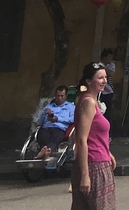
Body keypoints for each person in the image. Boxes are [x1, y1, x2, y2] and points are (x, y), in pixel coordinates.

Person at [72, 62, 116, 210]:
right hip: (94, 164)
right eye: (100, 78)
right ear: (89, 81)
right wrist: (85, 174)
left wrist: (108, 152)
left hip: (100, 159)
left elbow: (94, 134)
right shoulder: (89, 102)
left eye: (105, 77)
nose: (104, 81)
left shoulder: (91, 101)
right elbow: (81, 138)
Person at [35, 85, 75, 160]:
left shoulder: (71, 107)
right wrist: (45, 114)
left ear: (66, 96)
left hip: (59, 129)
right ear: (55, 96)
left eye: (62, 96)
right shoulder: (49, 106)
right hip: (46, 128)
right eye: (58, 96)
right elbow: (40, 122)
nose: (59, 98)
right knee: (42, 137)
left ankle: (44, 152)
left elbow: (72, 119)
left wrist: (58, 119)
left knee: (55, 138)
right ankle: (46, 152)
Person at [99, 50, 115, 120]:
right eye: (109, 57)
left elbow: (111, 73)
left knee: (108, 111)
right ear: (104, 57)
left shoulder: (111, 65)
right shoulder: (98, 65)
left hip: (109, 91)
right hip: (99, 91)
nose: (111, 58)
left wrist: (102, 68)